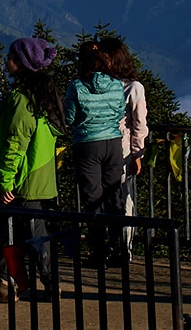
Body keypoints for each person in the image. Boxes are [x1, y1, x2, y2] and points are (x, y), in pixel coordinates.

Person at [0, 36, 67, 301]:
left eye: (10, 57)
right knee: (24, 233)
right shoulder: (45, 96)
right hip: (40, 176)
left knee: (25, 235)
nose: (6, 61)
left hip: (23, 180)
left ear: (20, 64)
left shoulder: (22, 100)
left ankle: (45, 282)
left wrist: (4, 181)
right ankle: (5, 283)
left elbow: (14, 145)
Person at [64, 40, 126, 216]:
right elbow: (120, 112)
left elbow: (69, 118)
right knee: (114, 193)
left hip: (87, 143)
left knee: (92, 197)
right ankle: (118, 239)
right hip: (114, 142)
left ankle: (98, 241)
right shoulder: (116, 84)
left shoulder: (76, 86)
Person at [100, 37, 149, 253]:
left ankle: (123, 246)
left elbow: (139, 123)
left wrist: (138, 153)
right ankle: (112, 245)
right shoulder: (106, 84)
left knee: (121, 197)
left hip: (124, 151)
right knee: (108, 198)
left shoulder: (133, 87)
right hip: (108, 149)